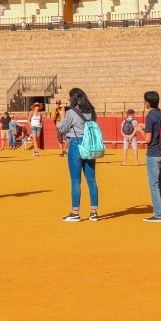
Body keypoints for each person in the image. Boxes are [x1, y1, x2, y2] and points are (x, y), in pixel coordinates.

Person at [57, 88, 100, 222]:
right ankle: (94, 212)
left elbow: (62, 128)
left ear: (73, 99)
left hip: (76, 144)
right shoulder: (91, 111)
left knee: (76, 180)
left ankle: (75, 212)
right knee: (92, 180)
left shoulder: (71, 112)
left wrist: (62, 117)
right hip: (90, 145)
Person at [136, 90, 161, 222]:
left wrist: (140, 130)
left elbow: (148, 139)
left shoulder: (150, 116)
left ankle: (158, 215)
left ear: (147, 103)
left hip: (154, 153)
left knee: (154, 184)